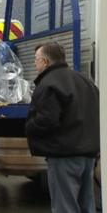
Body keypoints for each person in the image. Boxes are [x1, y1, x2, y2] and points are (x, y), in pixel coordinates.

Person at [26, 42, 99, 213]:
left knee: (64, 206)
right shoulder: (85, 81)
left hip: (64, 155)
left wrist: (29, 127)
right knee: (86, 204)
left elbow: (47, 120)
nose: (35, 64)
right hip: (88, 155)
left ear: (45, 62)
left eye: (36, 60)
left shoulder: (49, 84)